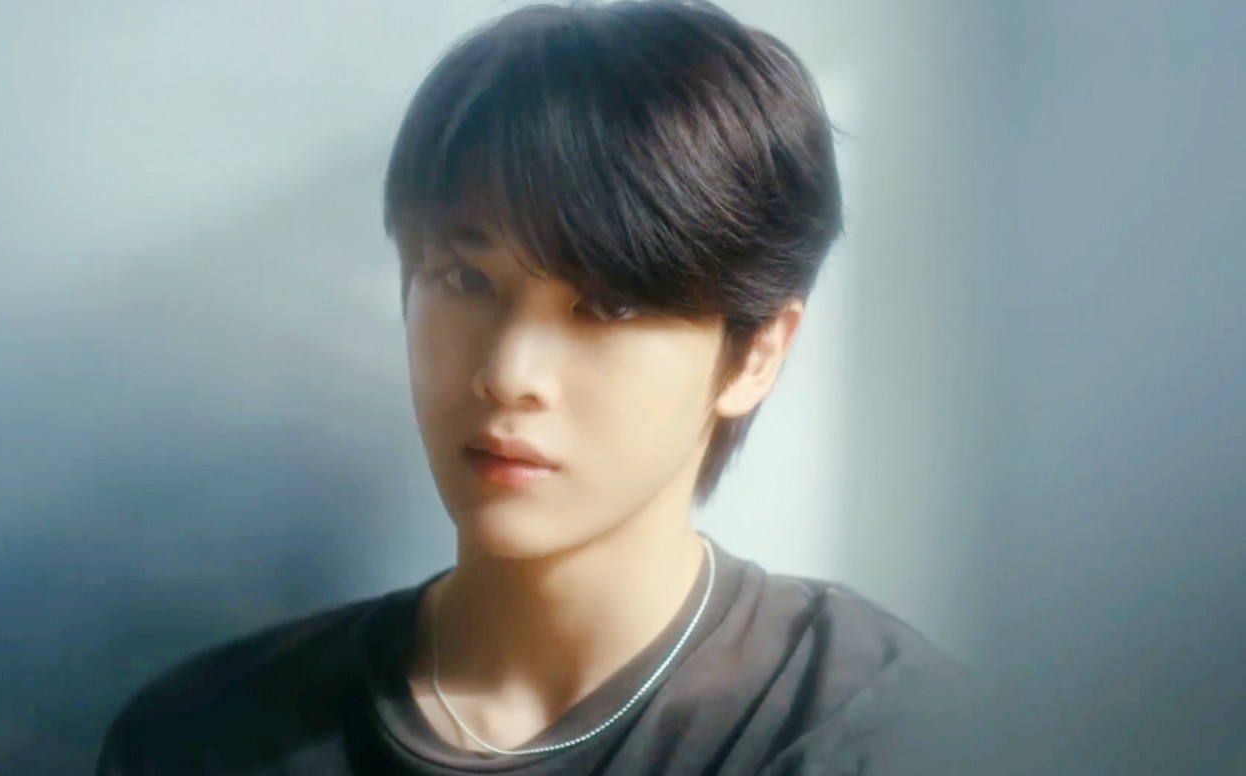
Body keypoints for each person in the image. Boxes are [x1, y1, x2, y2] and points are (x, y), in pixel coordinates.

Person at [96, 1, 975, 773]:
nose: (508, 374)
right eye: (465, 281)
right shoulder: (207, 737)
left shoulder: (879, 733)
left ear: (755, 354)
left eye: (609, 305)